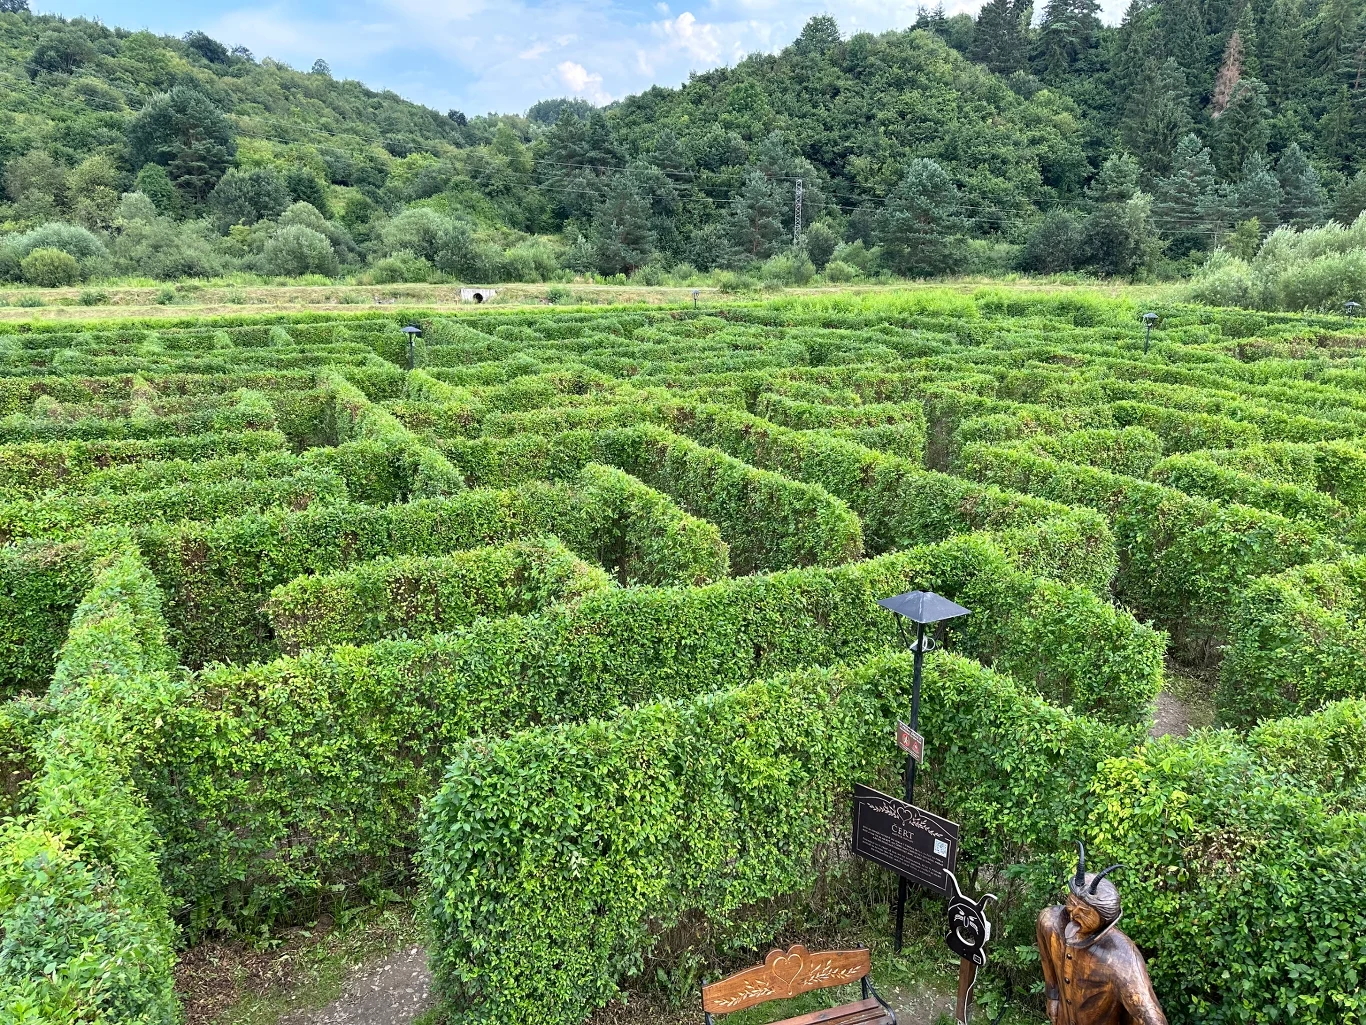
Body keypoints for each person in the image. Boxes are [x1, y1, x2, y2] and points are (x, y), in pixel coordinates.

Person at [1036, 843, 1167, 1025]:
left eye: (1085, 911)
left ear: (1104, 919)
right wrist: (1053, 997)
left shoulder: (1122, 958)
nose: (1074, 913)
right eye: (1072, 902)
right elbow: (1047, 963)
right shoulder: (1049, 923)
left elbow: (1148, 1014)